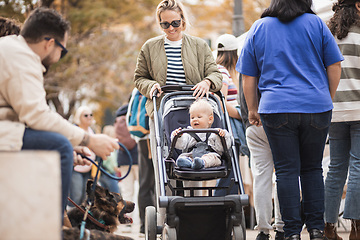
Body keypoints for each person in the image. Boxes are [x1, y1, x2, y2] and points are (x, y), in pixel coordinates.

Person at [238, 0, 344, 239]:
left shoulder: (259, 27)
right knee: (313, 169)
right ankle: (316, 229)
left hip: (275, 108)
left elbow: (248, 75)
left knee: (286, 171)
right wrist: (326, 97)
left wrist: (252, 109)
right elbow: (335, 64)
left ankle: (291, 232)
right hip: (316, 105)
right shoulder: (316, 23)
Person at [0, 7, 119, 220]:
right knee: (60, 146)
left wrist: (75, 143)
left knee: (61, 145)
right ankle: (56, 225)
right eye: (62, 51)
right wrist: (88, 139)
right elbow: (37, 115)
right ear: (49, 43)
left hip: (8, 130)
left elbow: (27, 116)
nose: (58, 58)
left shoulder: (11, 50)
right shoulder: (22, 58)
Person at [133, 0, 223, 224]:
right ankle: (167, 214)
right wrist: (150, 86)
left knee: (200, 154)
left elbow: (216, 74)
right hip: (164, 110)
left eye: (175, 22)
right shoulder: (150, 47)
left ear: (183, 20)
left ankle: (198, 215)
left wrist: (206, 82)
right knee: (165, 161)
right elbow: (139, 78)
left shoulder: (199, 45)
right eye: (165, 24)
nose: (171, 28)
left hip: (196, 109)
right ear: (159, 24)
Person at [324, 1, 360, 240]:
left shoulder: (328, 35)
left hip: (334, 109)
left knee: (336, 168)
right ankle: (356, 227)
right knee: (358, 166)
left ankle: (328, 226)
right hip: (359, 109)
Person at [239, 75, 285, 240]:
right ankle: (281, 228)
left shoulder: (251, 49)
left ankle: (263, 231)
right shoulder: (281, 50)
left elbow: (244, 85)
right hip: (280, 118)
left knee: (261, 177)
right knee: (283, 174)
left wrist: (248, 119)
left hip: (255, 122)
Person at [171, 99, 232, 170]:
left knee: (213, 158)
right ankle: (187, 162)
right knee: (182, 156)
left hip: (209, 156)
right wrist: (178, 136)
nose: (195, 119)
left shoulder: (214, 133)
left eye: (199, 117)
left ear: (210, 119)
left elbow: (221, 148)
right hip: (192, 156)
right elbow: (181, 144)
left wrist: (222, 136)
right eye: (192, 117)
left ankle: (202, 162)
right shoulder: (188, 133)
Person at [127, 88, 156, 235]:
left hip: (143, 140)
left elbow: (129, 117)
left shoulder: (138, 88)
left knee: (145, 182)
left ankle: (145, 224)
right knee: (160, 181)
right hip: (159, 137)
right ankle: (159, 221)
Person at [114, 104, 139, 233]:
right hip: (139, 157)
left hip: (124, 157)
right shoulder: (137, 111)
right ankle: (142, 221)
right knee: (143, 189)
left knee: (127, 191)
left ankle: (126, 222)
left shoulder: (119, 114)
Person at [68, 106, 96, 207]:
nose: (89, 117)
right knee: (76, 195)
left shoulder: (92, 131)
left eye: (91, 115)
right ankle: (70, 220)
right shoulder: (74, 129)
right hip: (76, 167)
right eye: (86, 115)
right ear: (79, 117)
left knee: (85, 197)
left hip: (88, 169)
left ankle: (80, 221)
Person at [98, 125, 121, 194]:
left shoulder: (102, 145)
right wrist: (116, 168)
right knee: (115, 194)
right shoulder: (110, 146)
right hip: (110, 173)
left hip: (102, 172)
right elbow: (111, 158)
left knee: (105, 195)